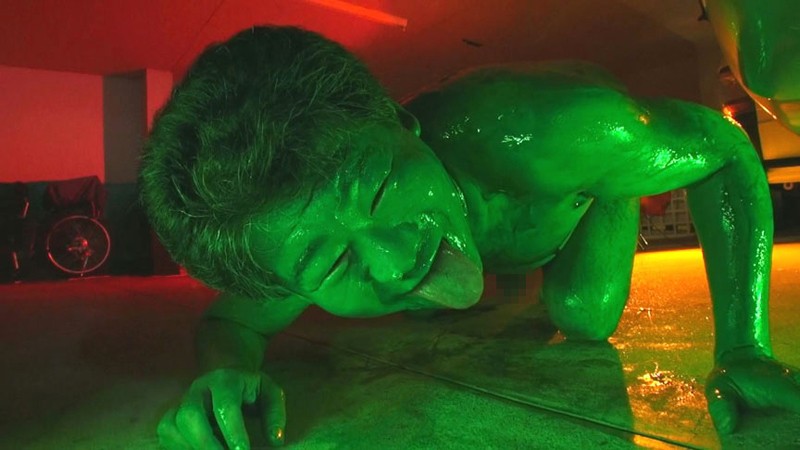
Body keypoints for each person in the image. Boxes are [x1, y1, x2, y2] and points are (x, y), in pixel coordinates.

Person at [140, 26, 800, 450]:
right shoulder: (283, 236)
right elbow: (228, 322)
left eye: (379, 187)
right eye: (332, 261)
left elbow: (723, 149)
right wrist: (226, 373)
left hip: (572, 163)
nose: (397, 263)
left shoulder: (557, 130)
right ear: (290, 281)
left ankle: (612, 182)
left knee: (585, 313)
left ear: (401, 123)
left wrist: (744, 346)